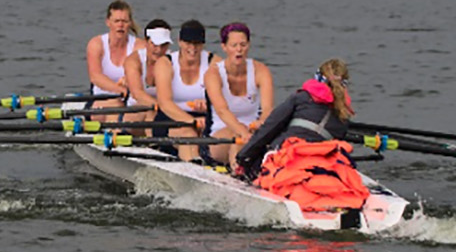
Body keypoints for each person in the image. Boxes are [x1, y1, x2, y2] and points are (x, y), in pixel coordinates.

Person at [231, 58, 371, 212]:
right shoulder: (344, 116)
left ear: (317, 78)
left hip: (287, 156)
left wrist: (243, 159)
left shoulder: (300, 98)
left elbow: (268, 130)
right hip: (320, 162)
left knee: (251, 166)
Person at [203, 22, 276, 166]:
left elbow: (267, 109)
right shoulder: (213, 74)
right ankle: (238, 175)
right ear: (224, 47)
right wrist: (243, 132)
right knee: (238, 139)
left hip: (252, 133)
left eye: (243, 45)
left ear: (248, 45)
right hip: (219, 136)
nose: (239, 50)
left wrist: (262, 123)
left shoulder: (261, 71)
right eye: (234, 45)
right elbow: (222, 111)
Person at [150, 19, 212, 162]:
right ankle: (194, 172)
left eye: (197, 44)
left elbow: (223, 100)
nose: (193, 48)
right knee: (189, 133)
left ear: (202, 44)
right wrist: (192, 121)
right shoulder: (165, 63)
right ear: (180, 42)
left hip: (203, 119)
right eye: (188, 43)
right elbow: (165, 104)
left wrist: (209, 105)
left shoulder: (213, 63)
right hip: (169, 119)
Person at [118, 18, 173, 128]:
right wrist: (164, 106)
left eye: (163, 45)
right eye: (155, 44)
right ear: (146, 42)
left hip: (163, 113)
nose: (159, 50)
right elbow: (137, 94)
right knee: (151, 112)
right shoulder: (133, 61)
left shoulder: (173, 61)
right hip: (134, 114)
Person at [84, 0, 136, 111]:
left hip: (130, 100)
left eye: (124, 21)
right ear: (108, 22)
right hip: (100, 99)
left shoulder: (139, 46)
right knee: (116, 105)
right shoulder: (96, 44)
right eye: (116, 21)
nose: (120, 25)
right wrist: (121, 90)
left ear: (130, 23)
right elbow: (95, 77)